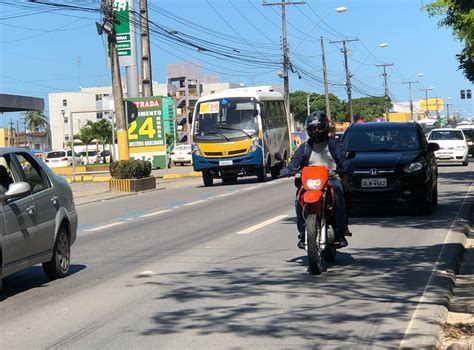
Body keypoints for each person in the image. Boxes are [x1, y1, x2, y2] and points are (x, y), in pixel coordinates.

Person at [280, 111, 353, 249]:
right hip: (311, 182)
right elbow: (296, 161)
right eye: (313, 128)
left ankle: (339, 233)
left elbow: (343, 158)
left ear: (325, 127)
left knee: (338, 192)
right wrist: (288, 169)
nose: (316, 131)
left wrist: (346, 167)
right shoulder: (305, 147)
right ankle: (303, 234)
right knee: (298, 199)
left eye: (319, 127)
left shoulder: (334, 144)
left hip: (331, 179)